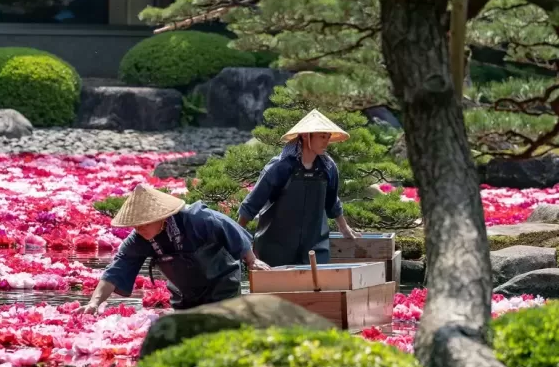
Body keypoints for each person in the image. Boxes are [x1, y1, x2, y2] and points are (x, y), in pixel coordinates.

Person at [75, 184, 270, 315]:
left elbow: (232, 230)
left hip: (221, 286)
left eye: (143, 223)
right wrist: (94, 302)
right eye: (135, 225)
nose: (139, 228)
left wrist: (252, 261)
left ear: (161, 217)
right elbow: (115, 271)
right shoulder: (139, 239)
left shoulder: (197, 219)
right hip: (185, 295)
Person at [238, 109, 361, 268]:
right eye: (322, 136)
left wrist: (344, 228)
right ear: (305, 135)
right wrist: (237, 240)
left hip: (314, 249)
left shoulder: (328, 168)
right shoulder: (280, 167)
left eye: (328, 137)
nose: (326, 141)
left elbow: (332, 202)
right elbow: (250, 205)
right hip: (275, 249)